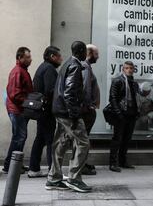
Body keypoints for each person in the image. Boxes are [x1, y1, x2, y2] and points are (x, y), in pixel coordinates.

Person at [46, 41, 91, 193]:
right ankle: (74, 178)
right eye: (85, 51)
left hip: (59, 111)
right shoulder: (75, 66)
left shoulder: (66, 64)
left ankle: (54, 178)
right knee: (83, 142)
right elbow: (69, 92)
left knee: (60, 143)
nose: (87, 54)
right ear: (81, 51)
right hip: (68, 113)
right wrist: (74, 116)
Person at [28, 46, 62, 178]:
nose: (61, 58)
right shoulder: (49, 69)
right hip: (46, 111)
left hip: (41, 110)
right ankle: (52, 171)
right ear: (52, 57)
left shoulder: (43, 67)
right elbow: (51, 90)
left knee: (40, 139)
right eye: (59, 56)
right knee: (50, 141)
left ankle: (34, 168)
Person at [3, 47, 33, 174]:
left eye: (30, 56)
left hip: (19, 109)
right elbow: (14, 94)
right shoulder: (18, 72)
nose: (30, 59)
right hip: (17, 110)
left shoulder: (22, 71)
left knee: (19, 137)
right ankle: (10, 166)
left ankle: (13, 164)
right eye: (27, 57)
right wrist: (28, 103)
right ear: (20, 58)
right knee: (19, 137)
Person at [109, 61, 139, 172]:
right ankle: (112, 163)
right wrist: (118, 113)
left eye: (131, 68)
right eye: (127, 68)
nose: (129, 70)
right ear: (123, 69)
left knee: (127, 139)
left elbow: (136, 99)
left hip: (131, 114)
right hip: (120, 114)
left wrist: (137, 113)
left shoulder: (133, 83)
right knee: (117, 139)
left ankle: (122, 161)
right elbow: (112, 98)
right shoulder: (118, 81)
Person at [81, 44, 100, 175]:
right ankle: (81, 165)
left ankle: (82, 163)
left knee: (83, 138)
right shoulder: (86, 68)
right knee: (83, 139)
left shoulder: (86, 67)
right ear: (90, 53)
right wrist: (89, 106)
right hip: (87, 110)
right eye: (96, 54)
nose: (98, 56)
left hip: (87, 109)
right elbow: (85, 88)